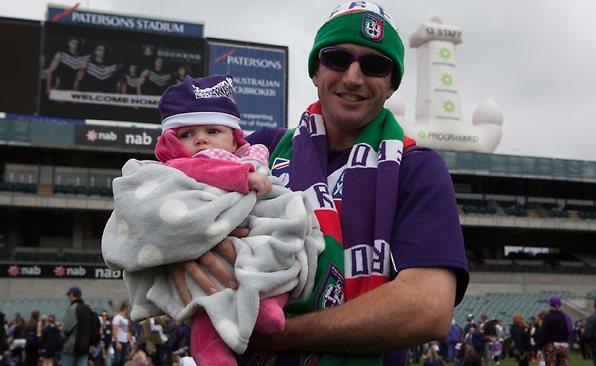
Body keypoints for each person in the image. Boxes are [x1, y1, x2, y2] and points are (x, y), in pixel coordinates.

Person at [166, 1, 469, 365]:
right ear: (315, 70)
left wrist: (276, 334)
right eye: (337, 58)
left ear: (391, 85)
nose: (353, 77)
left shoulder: (418, 168)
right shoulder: (261, 149)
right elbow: (167, 206)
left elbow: (428, 307)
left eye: (375, 65)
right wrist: (183, 254)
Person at [102, 74, 323, 366]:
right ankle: (208, 347)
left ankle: (266, 302)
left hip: (245, 231)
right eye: (187, 134)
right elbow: (206, 172)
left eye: (212, 130)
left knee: (286, 230)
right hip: (203, 226)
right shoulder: (181, 165)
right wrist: (243, 178)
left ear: (235, 139)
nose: (201, 139)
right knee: (207, 298)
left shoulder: (254, 154)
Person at [62, 286, 92, 366]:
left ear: (72, 294)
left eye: (68, 295)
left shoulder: (73, 308)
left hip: (72, 347)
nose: (68, 297)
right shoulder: (87, 308)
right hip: (85, 347)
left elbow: (67, 328)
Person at [538, 296, 572, 366]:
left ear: (551, 305)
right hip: (564, 345)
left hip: (552, 345)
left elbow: (544, 333)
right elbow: (568, 331)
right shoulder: (566, 317)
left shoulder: (548, 317)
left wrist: (539, 347)